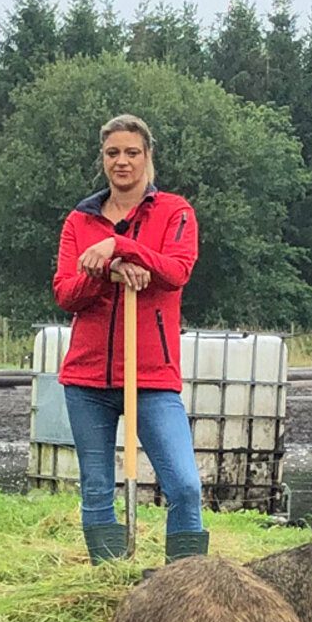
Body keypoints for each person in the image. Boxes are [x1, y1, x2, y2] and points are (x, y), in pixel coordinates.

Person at [50, 113, 206, 564]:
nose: (122, 162)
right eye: (113, 153)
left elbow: (175, 271)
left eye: (132, 153)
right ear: (103, 158)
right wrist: (106, 272)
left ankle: (187, 585)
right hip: (87, 379)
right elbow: (65, 293)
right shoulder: (80, 221)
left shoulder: (175, 212)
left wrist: (121, 247)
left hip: (153, 377)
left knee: (184, 485)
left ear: (148, 156)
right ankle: (109, 580)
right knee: (97, 487)